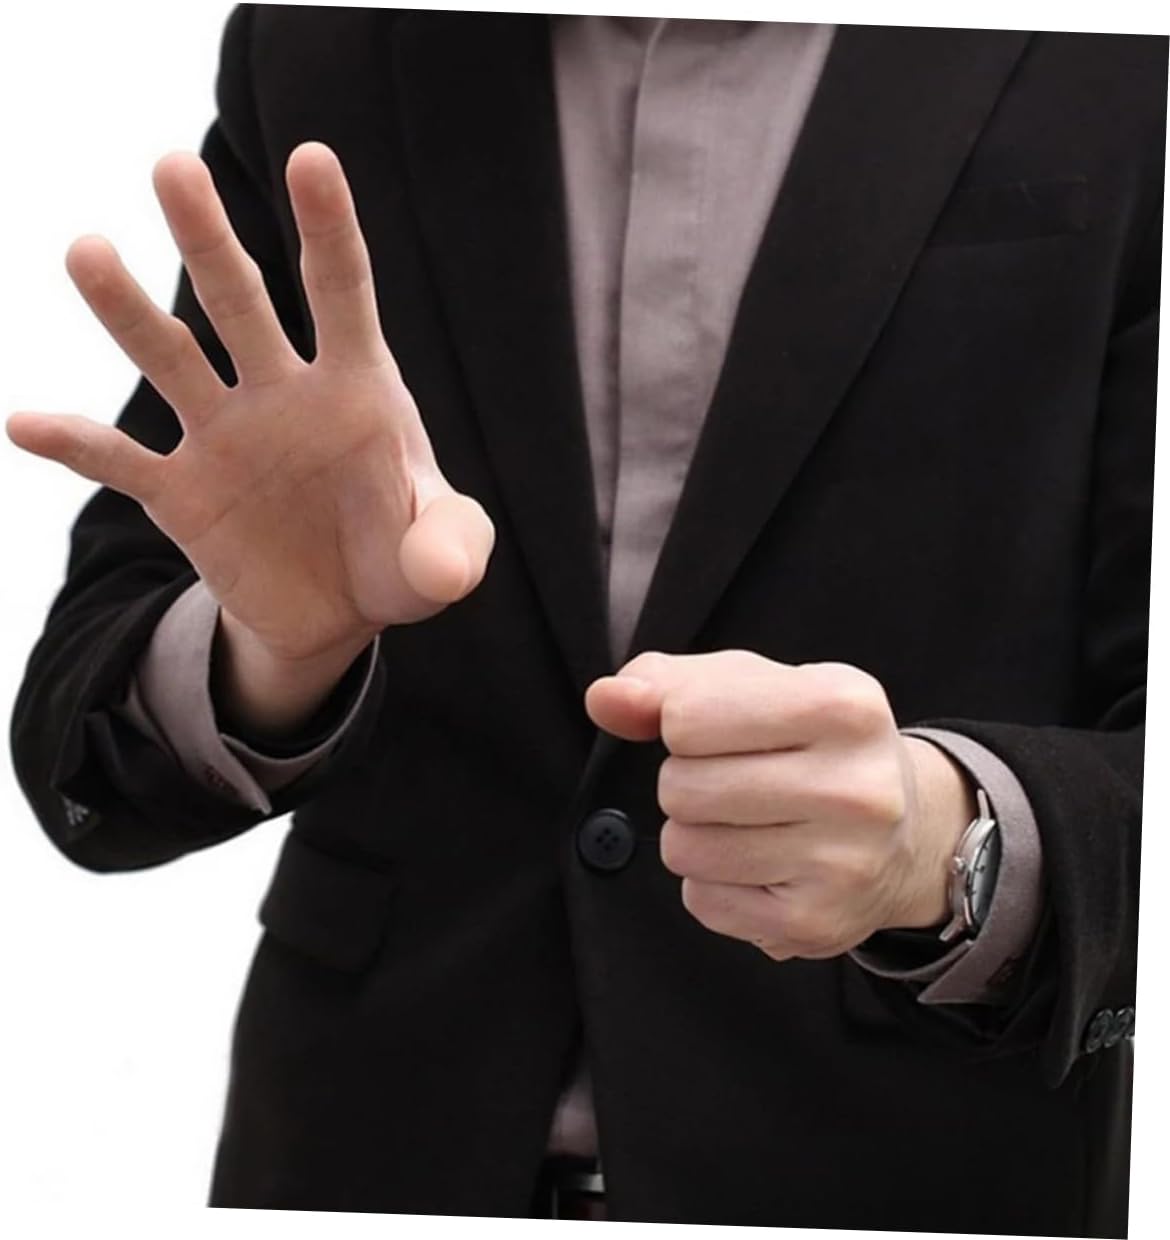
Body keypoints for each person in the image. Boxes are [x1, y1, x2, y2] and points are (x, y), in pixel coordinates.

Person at [7, 6, 1162, 1233]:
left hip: (914, 1172)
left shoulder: (1125, 61)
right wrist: (274, 651)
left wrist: (949, 842)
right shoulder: (327, 39)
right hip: (360, 1164)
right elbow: (86, 758)